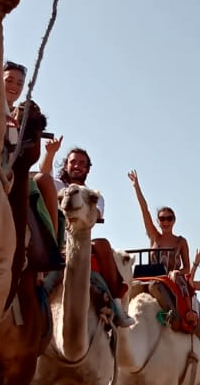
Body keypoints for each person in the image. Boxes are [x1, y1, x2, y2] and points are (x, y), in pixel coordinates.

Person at [37, 137, 132, 326]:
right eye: (73, 162)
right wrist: (50, 153)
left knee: (102, 244)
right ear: (66, 165)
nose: (77, 166)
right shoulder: (56, 186)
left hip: (78, 241)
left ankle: (116, 304)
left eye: (82, 163)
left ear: (88, 168)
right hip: (54, 240)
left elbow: (94, 215)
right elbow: (43, 175)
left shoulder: (93, 195)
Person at [127, 171, 190, 272]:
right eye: (162, 219)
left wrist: (176, 273)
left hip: (172, 280)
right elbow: (145, 210)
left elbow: (187, 268)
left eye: (169, 218)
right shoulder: (154, 236)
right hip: (153, 278)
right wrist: (136, 187)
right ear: (158, 221)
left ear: (174, 220)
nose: (166, 222)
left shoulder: (181, 242)